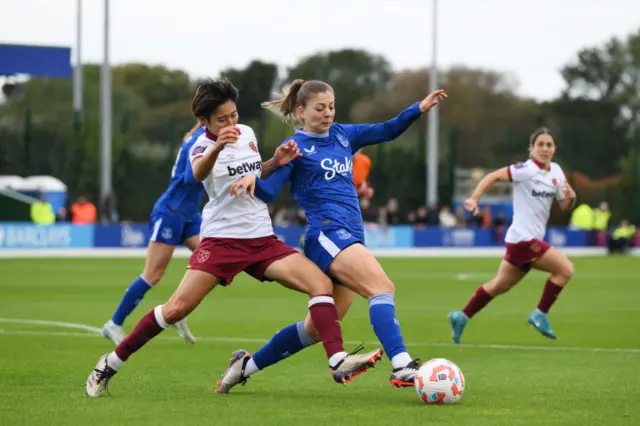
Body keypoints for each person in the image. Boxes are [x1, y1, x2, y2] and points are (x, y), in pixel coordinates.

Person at [85, 78, 382, 398]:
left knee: (320, 285)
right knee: (175, 310)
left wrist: (276, 161)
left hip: (261, 238)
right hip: (222, 241)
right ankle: (110, 363)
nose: (231, 123)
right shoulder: (198, 144)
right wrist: (217, 146)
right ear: (204, 121)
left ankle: (337, 359)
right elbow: (198, 174)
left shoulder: (249, 134)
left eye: (234, 116)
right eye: (222, 119)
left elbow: (257, 173)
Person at [222, 79, 447, 391]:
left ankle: (246, 365)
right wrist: (254, 177)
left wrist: (417, 110)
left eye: (331, 106)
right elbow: (269, 192)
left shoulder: (343, 134)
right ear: (301, 111)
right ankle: (402, 365)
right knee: (382, 287)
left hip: (349, 236)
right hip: (326, 234)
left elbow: (387, 129)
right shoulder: (295, 149)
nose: (327, 113)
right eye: (319, 108)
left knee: (314, 331)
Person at [448, 127, 577, 343]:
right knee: (565, 269)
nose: (545, 149)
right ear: (532, 148)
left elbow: (564, 205)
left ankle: (461, 316)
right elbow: (493, 176)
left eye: (549, 145)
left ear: (554, 149)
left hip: (526, 240)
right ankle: (540, 314)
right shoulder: (525, 170)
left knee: (499, 285)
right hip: (523, 239)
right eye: (540, 144)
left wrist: (571, 198)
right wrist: (474, 198)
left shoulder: (556, 171)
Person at [101, 122, 206, 345]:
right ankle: (114, 323)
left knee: (210, 259)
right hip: (171, 212)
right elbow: (191, 177)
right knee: (153, 275)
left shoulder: (203, 136)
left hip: (190, 214)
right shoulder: (199, 140)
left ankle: (177, 307)